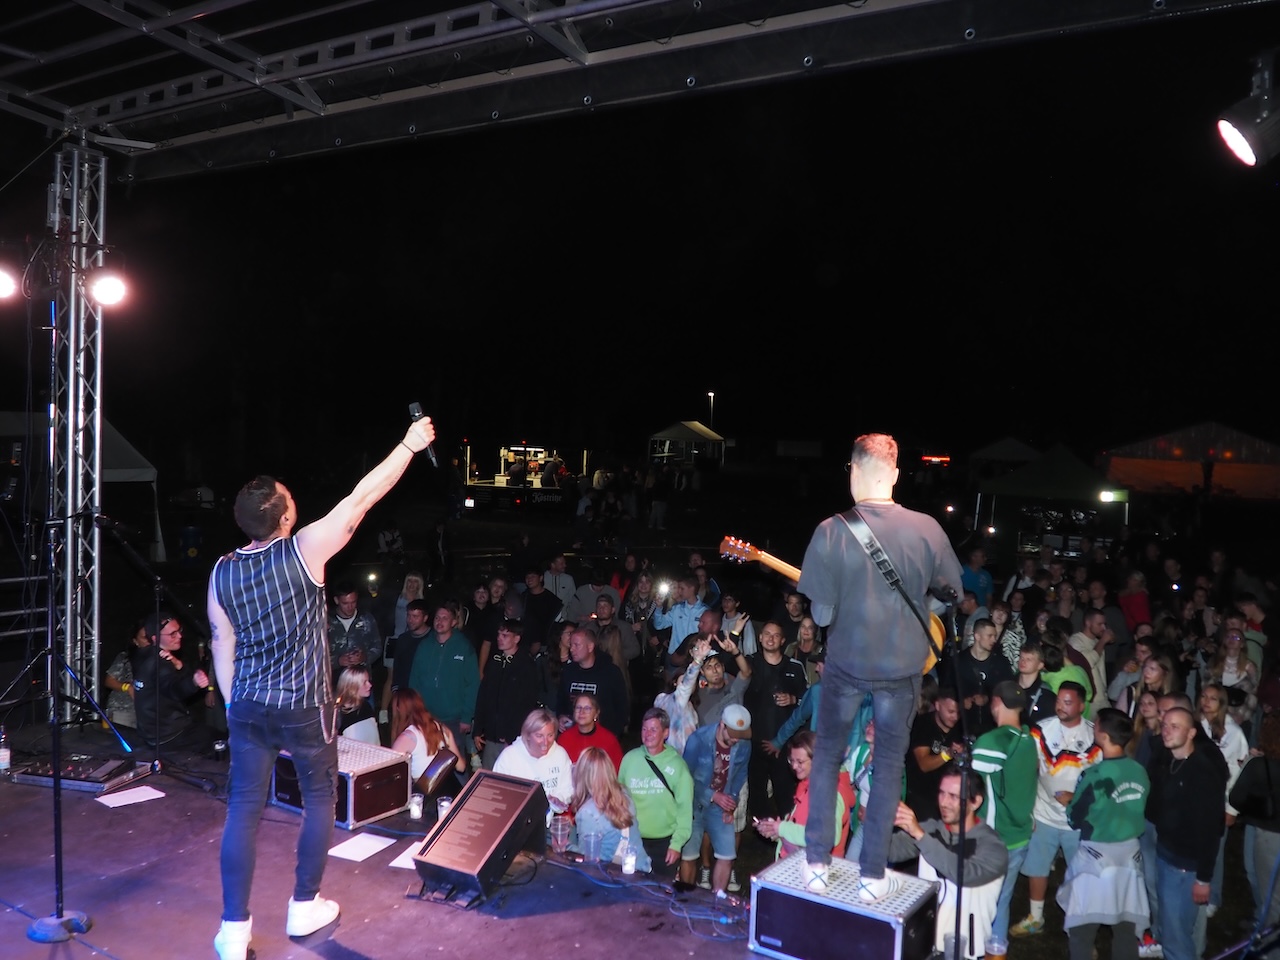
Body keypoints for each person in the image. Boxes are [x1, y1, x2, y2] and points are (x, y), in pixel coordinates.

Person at [207, 412, 435, 960]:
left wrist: (236, 703)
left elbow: (221, 643)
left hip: (249, 705)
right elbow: (363, 497)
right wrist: (408, 444)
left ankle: (233, 931)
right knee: (317, 801)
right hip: (304, 707)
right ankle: (304, 904)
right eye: (290, 497)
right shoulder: (304, 548)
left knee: (243, 810)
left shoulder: (221, 571)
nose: (295, 499)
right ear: (284, 515)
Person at [797, 432, 963, 903]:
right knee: (889, 764)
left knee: (828, 757)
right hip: (902, 670)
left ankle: (817, 864)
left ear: (854, 471)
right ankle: (872, 874)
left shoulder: (831, 530)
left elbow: (822, 616)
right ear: (895, 475)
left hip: (847, 664)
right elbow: (950, 594)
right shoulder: (927, 528)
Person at [1057, 708, 1151, 960]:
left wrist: (1069, 801)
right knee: (1125, 926)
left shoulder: (1094, 775)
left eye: (1096, 725)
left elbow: (1075, 818)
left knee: (1082, 927)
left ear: (1104, 735)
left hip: (1096, 859)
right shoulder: (1140, 771)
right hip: (1130, 858)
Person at [1010, 681, 1101, 937]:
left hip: (1077, 821)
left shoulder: (1095, 736)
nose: (1060, 706)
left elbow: (1100, 780)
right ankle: (1035, 917)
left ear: (1082, 706)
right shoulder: (1041, 731)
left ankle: (1078, 926)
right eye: (1059, 701)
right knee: (1037, 868)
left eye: (1068, 702)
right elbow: (1030, 770)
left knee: (1079, 873)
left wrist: (1078, 798)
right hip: (1044, 814)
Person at [888, 767, 1009, 960]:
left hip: (966, 953)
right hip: (924, 945)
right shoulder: (932, 830)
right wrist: (881, 820)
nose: (944, 802)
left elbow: (964, 874)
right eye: (941, 793)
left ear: (975, 802)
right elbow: (890, 851)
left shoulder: (993, 846)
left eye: (953, 796)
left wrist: (920, 835)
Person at [1145, 705, 1227, 960]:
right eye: (1165, 725)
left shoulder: (1202, 773)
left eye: (1175, 727)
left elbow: (1211, 829)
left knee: (1176, 937)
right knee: (1174, 931)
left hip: (1184, 869)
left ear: (1191, 733)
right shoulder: (1170, 761)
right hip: (1165, 857)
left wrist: (1203, 879)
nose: (1166, 731)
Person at [970, 680, 1038, 946]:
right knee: (1002, 900)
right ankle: (997, 949)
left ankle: (975, 950)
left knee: (978, 903)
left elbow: (970, 791)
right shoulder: (1029, 740)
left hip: (992, 838)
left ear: (996, 702)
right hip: (1019, 836)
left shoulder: (993, 741)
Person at [679, 704, 753, 895]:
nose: (737, 739)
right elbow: (685, 777)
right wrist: (712, 795)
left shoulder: (743, 744)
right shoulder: (698, 740)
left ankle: (717, 901)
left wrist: (731, 801)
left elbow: (740, 773)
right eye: (733, 734)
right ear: (722, 725)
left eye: (741, 735)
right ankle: (686, 899)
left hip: (720, 807)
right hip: (694, 804)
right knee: (689, 855)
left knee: (727, 855)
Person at [618, 707, 694, 880]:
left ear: (665, 733)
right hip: (633, 838)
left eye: (653, 729)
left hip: (664, 843)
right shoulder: (629, 759)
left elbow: (685, 810)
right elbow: (619, 796)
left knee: (661, 889)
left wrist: (676, 845)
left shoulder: (677, 766)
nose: (647, 734)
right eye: (644, 729)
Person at [392, 601, 479, 750]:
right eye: (437, 618)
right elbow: (415, 679)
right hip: (426, 716)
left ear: (454, 622)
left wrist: (467, 717)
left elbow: (473, 684)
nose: (440, 621)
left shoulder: (464, 647)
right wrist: (415, 709)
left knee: (454, 759)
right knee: (426, 756)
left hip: (453, 718)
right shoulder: (424, 646)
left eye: (445, 618)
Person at [755, 730, 853, 861]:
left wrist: (782, 828)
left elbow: (827, 837)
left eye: (800, 761)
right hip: (798, 863)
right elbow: (801, 828)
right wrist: (775, 830)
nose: (794, 766)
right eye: (791, 760)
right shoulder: (809, 784)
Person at [131, 612, 212, 751]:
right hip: (168, 735)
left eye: (179, 631)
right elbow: (173, 689)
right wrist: (193, 682)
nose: (179, 636)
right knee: (221, 742)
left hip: (150, 733)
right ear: (155, 638)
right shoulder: (160, 662)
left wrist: (179, 665)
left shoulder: (142, 654)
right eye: (172, 634)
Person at [473, 619, 546, 770]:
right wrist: (478, 729)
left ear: (516, 638)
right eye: (499, 634)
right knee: (489, 776)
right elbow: (483, 697)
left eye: (505, 635)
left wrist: (512, 736)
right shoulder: (495, 662)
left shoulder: (526, 666)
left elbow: (526, 705)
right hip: (491, 736)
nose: (499, 638)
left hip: (512, 738)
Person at [569, 746, 651, 871]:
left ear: (582, 775)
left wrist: (565, 846)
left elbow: (587, 860)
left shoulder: (587, 813)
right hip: (642, 869)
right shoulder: (624, 792)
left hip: (618, 877)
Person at [493, 707, 574, 819]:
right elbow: (497, 795)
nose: (545, 742)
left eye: (550, 735)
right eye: (539, 736)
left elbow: (568, 788)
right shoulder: (509, 758)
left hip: (548, 822)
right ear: (527, 735)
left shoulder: (560, 754)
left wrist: (557, 799)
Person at [388, 688, 468, 793]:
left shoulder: (406, 737)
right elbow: (461, 767)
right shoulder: (442, 728)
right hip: (449, 791)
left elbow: (391, 776)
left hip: (426, 796)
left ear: (398, 709)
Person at [556, 626, 630, 737]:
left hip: (603, 737)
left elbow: (622, 707)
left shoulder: (610, 672)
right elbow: (561, 701)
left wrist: (611, 735)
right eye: (571, 645)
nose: (571, 649)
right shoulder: (568, 671)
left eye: (577, 645)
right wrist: (561, 716)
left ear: (590, 647)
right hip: (573, 736)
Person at [326, 581, 381, 683]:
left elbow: (377, 647)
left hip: (361, 681)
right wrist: (337, 661)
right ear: (336, 600)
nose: (350, 607)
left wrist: (364, 657)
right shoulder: (326, 620)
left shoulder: (366, 618)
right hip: (334, 681)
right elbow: (316, 654)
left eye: (353, 602)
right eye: (345, 603)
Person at [557, 692, 624, 770]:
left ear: (596, 713)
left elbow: (616, 770)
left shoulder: (609, 740)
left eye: (587, 708)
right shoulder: (564, 738)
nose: (582, 712)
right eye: (578, 707)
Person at [103, 618, 150, 729]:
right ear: (135, 641)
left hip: (148, 712)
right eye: (144, 638)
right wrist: (127, 687)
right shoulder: (124, 658)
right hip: (123, 709)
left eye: (150, 637)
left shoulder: (162, 659)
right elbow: (109, 681)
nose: (149, 641)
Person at [335, 666, 379, 744]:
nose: (370, 685)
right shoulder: (338, 714)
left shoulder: (366, 707)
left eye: (368, 681)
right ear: (352, 686)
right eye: (364, 682)